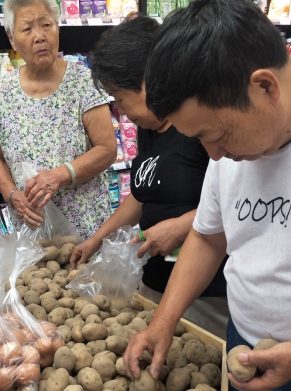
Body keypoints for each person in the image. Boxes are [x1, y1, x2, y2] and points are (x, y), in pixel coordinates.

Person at [123, 1, 291, 390]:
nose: (213, 155)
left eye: (216, 136)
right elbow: (207, 236)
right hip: (241, 346)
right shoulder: (232, 133)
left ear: (265, 86)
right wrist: (163, 322)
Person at [69, 15, 229, 339]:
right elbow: (142, 195)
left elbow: (236, 202)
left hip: (207, 293)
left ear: (147, 80)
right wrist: (95, 241)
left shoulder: (203, 127)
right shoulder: (149, 128)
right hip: (155, 282)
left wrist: (181, 226)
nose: (122, 112)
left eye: (121, 100)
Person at [0, 0, 117, 240]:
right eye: (27, 29)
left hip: (85, 230)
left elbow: (107, 149)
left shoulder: (84, 82)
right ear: (12, 38)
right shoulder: (2, 92)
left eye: (46, 25)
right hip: (31, 230)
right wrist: (12, 194)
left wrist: (58, 176)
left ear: (58, 27)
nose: (40, 36)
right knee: (37, 278)